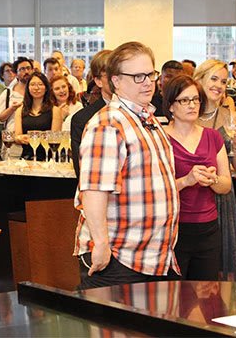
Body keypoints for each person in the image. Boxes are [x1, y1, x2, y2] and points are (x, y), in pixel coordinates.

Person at [74, 41, 180, 289]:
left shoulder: (147, 118)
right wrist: (100, 244)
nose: (147, 82)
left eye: (151, 75)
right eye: (137, 76)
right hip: (118, 258)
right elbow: (93, 190)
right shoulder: (109, 123)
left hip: (153, 256)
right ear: (116, 81)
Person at [163, 75, 231, 280]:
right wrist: (186, 181)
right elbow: (156, 190)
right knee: (174, 298)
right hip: (174, 229)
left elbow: (226, 184)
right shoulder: (160, 139)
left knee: (206, 296)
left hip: (208, 228)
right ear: (171, 106)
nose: (192, 105)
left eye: (196, 99)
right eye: (184, 100)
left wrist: (213, 180)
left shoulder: (212, 136)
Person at [193, 59, 236, 281]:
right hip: (192, 197)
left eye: (224, 81)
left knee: (222, 268)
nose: (219, 85)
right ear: (199, 80)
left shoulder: (230, 117)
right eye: (214, 79)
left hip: (222, 198)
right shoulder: (185, 114)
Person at [71, 50, 111, 178]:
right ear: (98, 80)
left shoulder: (139, 112)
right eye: (110, 74)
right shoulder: (83, 119)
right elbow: (83, 172)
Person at [13, 72, 61, 161]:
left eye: (40, 84)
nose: (36, 88)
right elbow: (17, 136)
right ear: (28, 88)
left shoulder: (55, 110)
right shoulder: (20, 110)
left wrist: (35, 137)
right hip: (27, 158)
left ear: (46, 88)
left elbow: (55, 138)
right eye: (32, 84)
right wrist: (19, 138)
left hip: (48, 159)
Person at [0, 57, 33, 133]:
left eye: (28, 68)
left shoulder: (38, 92)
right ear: (16, 74)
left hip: (34, 137)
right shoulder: (8, 93)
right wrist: (11, 109)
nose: (26, 71)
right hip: (13, 138)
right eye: (22, 69)